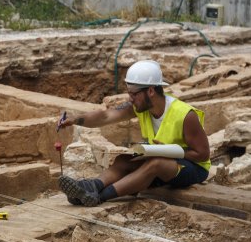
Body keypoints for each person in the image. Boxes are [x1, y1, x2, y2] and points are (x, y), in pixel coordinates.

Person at [56, 60, 210, 206]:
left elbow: (202, 154)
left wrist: (171, 151)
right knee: (123, 160)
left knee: (155, 164)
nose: (130, 99)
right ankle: (90, 187)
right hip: (165, 159)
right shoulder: (140, 107)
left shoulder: (185, 115)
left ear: (150, 91)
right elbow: (106, 116)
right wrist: (75, 119)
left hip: (193, 168)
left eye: (134, 94)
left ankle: (100, 197)